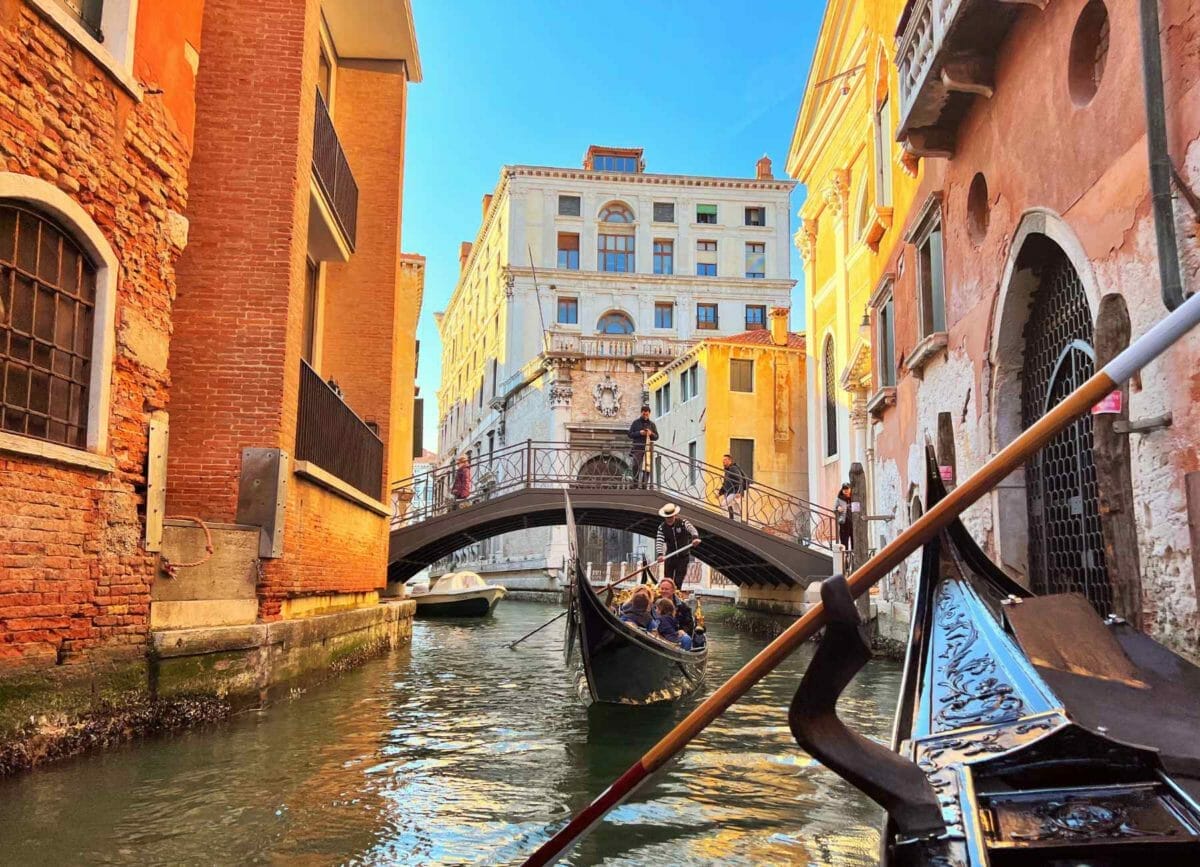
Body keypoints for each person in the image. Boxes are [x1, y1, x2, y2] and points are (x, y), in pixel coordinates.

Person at [655, 503, 700, 591]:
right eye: (667, 517)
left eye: (671, 517)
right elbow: (659, 541)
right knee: (668, 580)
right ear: (665, 517)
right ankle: (667, 597)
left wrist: (695, 538)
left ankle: (676, 597)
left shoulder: (683, 523)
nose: (669, 519)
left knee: (678, 581)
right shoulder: (662, 527)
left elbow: (693, 530)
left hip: (683, 557)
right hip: (670, 557)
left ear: (675, 515)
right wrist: (660, 554)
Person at [627, 405, 658, 487]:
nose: (645, 416)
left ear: (649, 414)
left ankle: (645, 485)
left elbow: (656, 437)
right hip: (637, 448)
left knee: (647, 468)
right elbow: (630, 434)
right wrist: (639, 433)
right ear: (641, 413)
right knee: (636, 466)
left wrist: (651, 433)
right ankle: (635, 484)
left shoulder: (652, 424)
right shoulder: (635, 423)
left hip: (648, 449)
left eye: (647, 415)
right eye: (644, 414)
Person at [718, 454, 749, 521]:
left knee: (723, 505)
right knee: (736, 509)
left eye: (725, 460)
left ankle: (726, 520)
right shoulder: (727, 470)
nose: (723, 461)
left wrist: (739, 492)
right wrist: (719, 493)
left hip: (735, 492)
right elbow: (725, 484)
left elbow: (739, 479)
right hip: (732, 491)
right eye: (723, 460)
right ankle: (737, 524)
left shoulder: (733, 468)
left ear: (730, 461)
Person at [834, 482, 854, 550]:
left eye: (847, 488)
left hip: (854, 523)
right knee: (844, 542)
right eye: (844, 489)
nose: (845, 490)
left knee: (854, 541)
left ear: (850, 489)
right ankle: (845, 557)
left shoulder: (854, 497)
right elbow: (834, 510)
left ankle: (854, 557)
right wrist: (837, 509)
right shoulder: (839, 499)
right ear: (842, 490)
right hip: (844, 523)